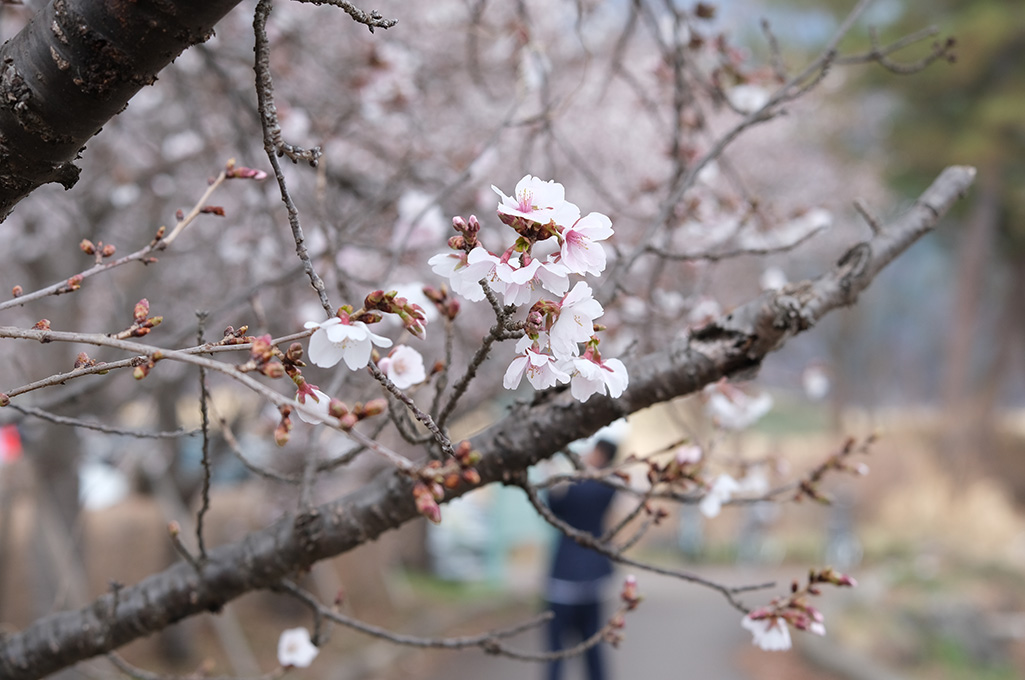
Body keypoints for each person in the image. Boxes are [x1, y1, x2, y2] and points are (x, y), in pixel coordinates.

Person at [544, 439, 618, 680]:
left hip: (565, 575)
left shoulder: (581, 487)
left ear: (602, 455)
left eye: (593, 451)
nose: (587, 454)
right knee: (592, 646)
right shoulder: (608, 486)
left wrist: (556, 474)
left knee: (557, 649)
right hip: (593, 572)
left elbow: (556, 505)